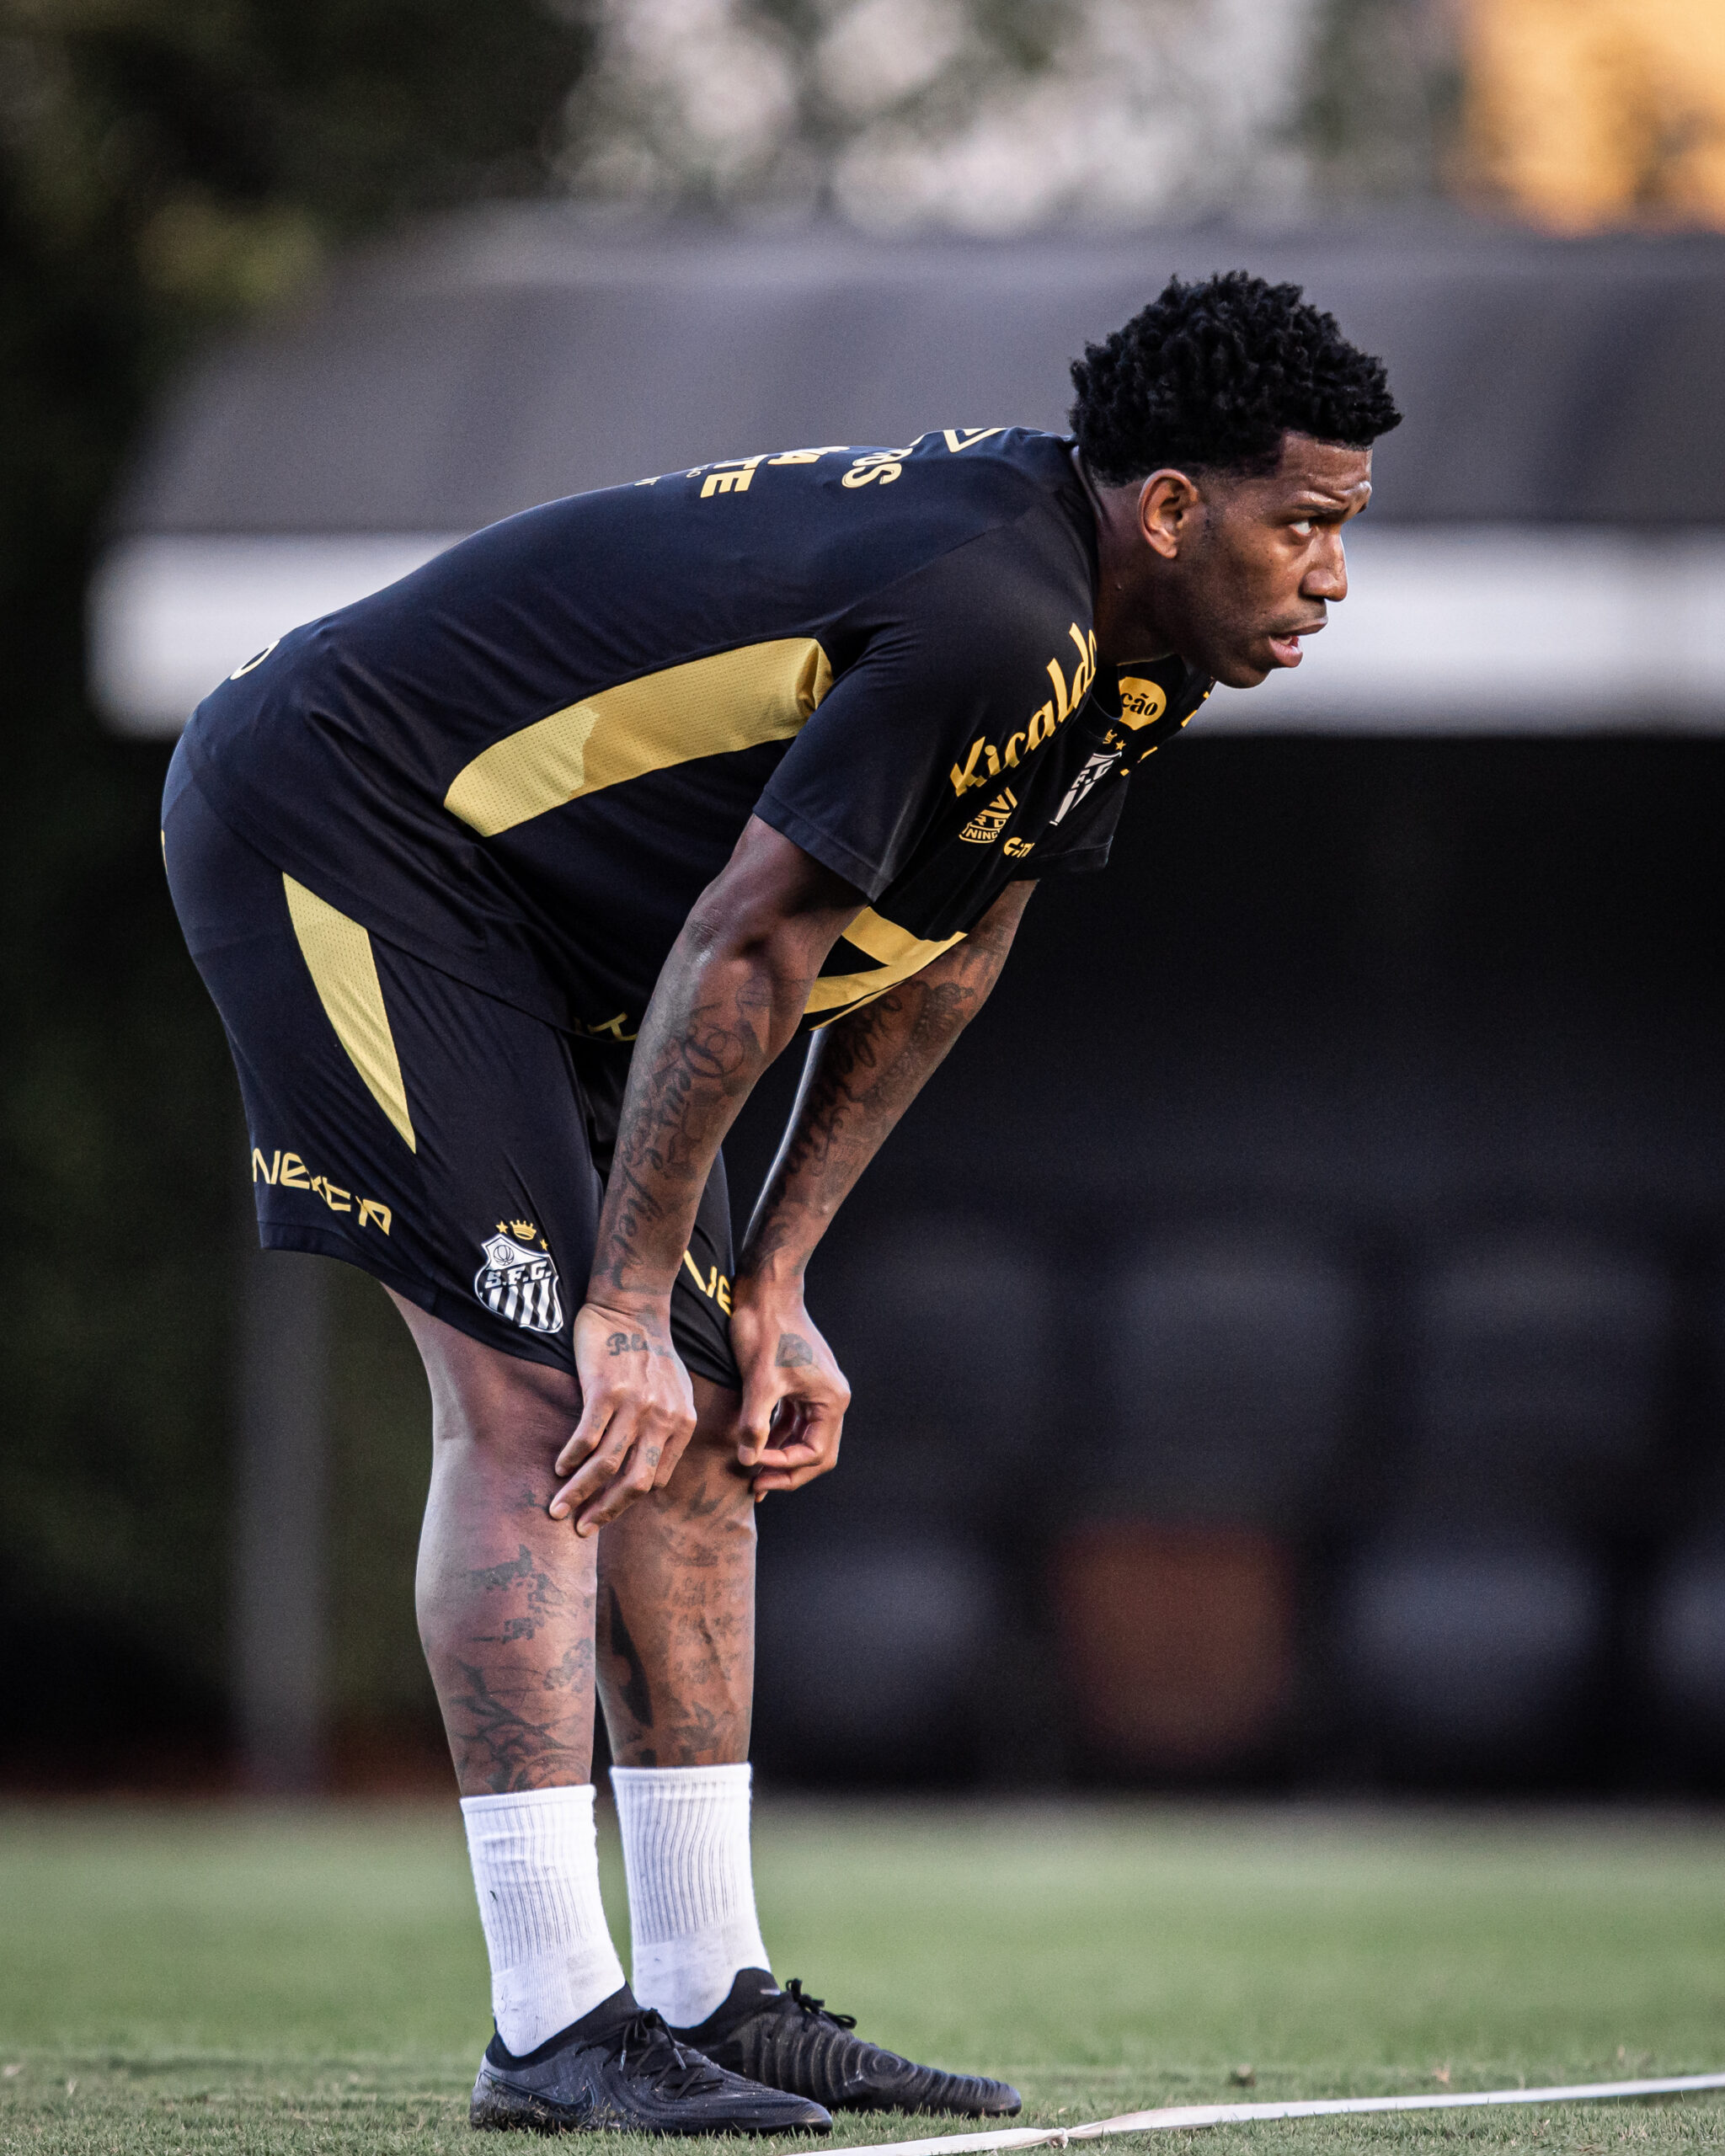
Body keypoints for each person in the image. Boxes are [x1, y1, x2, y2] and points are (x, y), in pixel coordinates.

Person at [162, 270, 1399, 2136]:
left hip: (569, 926)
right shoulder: (995, 612)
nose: (1329, 575)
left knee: (704, 1422)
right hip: (347, 821)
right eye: (1302, 523)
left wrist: (774, 1282)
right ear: (1169, 506)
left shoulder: (1131, 659)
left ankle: (706, 1991)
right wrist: (619, 1300)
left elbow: (951, 943)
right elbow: (753, 942)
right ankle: (550, 2023)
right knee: (550, 1401)